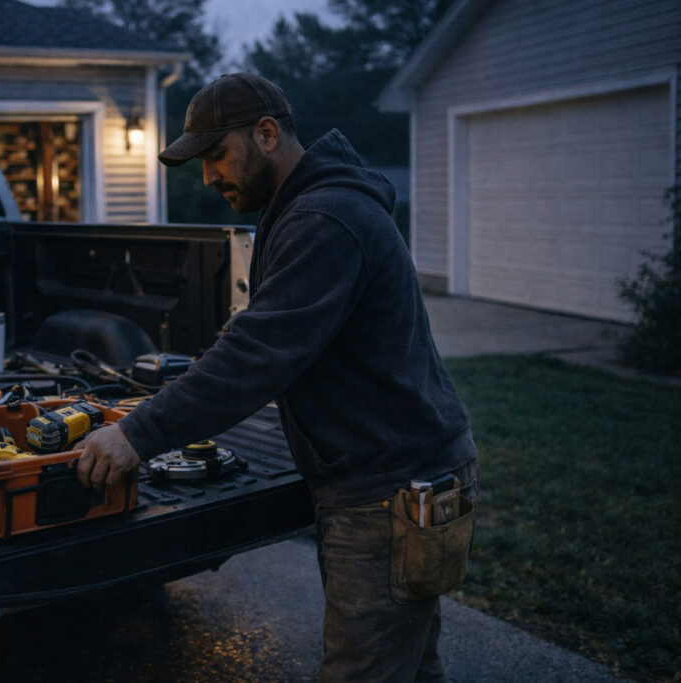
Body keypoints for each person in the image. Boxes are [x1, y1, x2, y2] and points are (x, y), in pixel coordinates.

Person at [76, 72, 479, 681]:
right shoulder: (306, 210)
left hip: (387, 488)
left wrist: (135, 433)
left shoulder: (324, 219)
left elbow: (255, 354)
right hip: (400, 470)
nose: (208, 177)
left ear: (266, 134)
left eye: (216, 155)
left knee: (365, 669)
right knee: (408, 663)